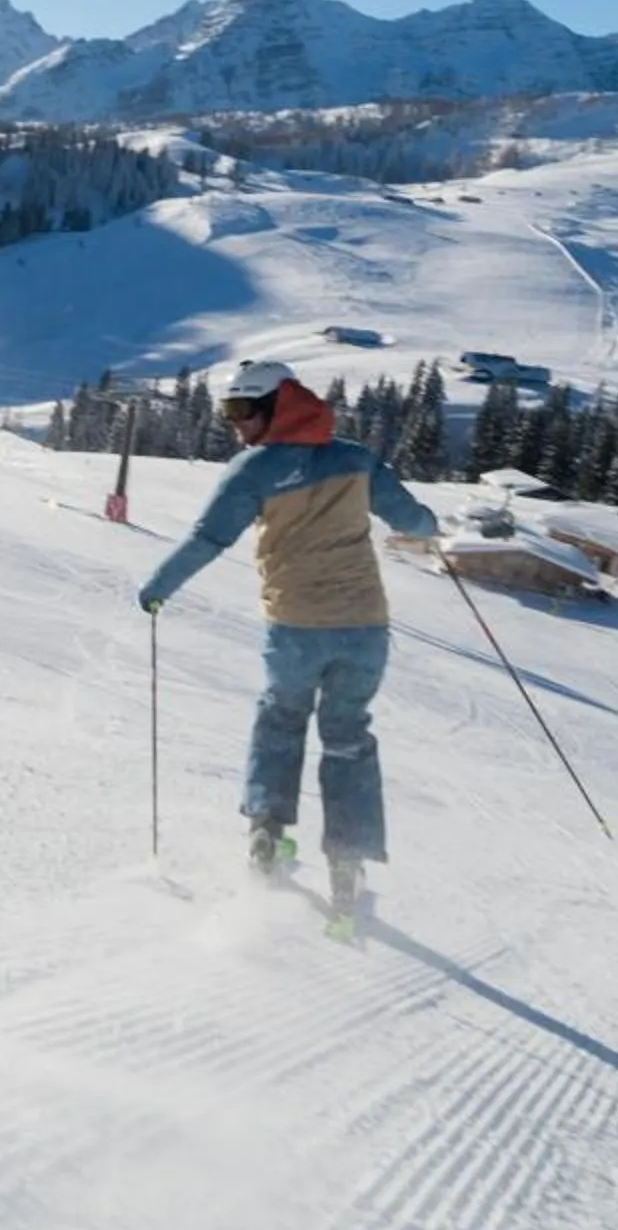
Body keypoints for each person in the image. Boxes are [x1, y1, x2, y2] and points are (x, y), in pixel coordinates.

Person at [135, 359, 438, 927]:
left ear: (279, 405)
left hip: (295, 627)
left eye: (243, 411)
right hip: (364, 628)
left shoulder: (252, 471)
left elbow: (207, 539)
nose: (234, 424)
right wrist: (430, 526)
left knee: (280, 720)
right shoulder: (353, 458)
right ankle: (347, 863)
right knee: (348, 736)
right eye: (228, 411)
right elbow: (411, 520)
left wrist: (158, 589)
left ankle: (267, 835)